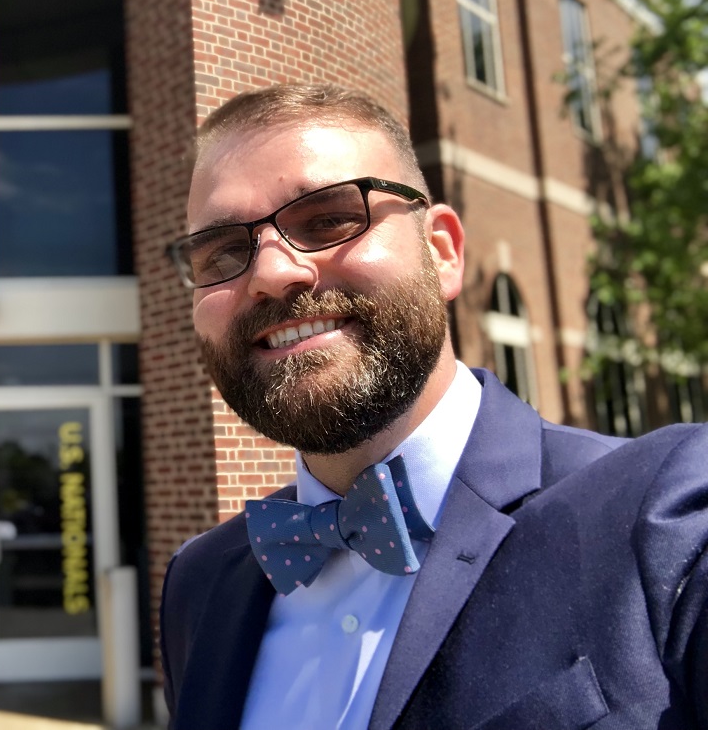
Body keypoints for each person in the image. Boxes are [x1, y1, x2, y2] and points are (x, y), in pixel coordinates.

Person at [160, 83, 708, 730]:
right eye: (224, 251)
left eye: (330, 218)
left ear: (443, 251)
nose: (274, 272)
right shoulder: (198, 585)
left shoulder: (669, 512)